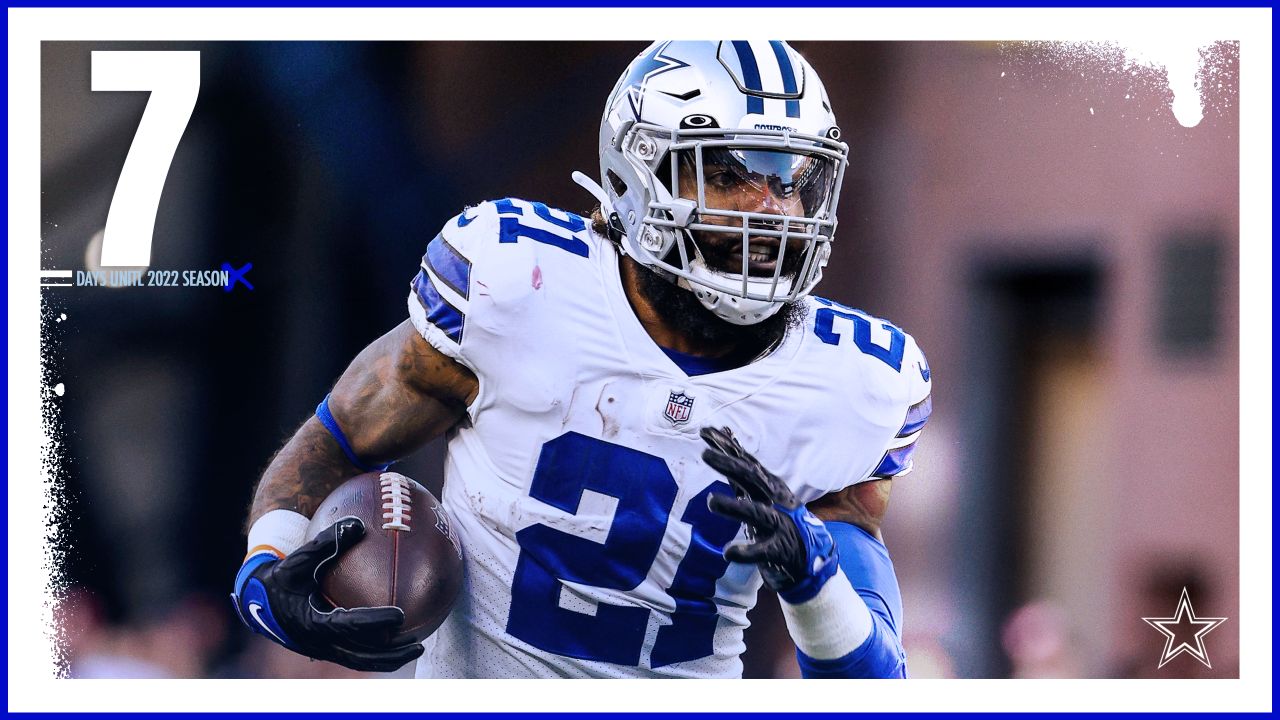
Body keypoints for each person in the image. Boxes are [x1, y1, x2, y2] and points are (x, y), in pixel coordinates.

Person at [231, 40, 932, 679]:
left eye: (793, 178)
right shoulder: (516, 285)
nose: (772, 208)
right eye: (732, 171)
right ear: (639, 172)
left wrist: (815, 579)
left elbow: (869, 686)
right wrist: (267, 573)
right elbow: (338, 438)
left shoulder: (855, 382)